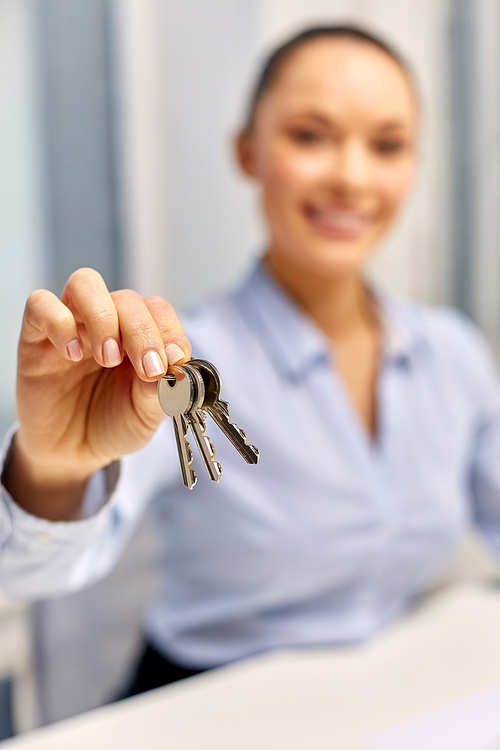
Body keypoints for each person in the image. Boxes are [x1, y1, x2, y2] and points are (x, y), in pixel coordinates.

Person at [2, 25, 500, 697]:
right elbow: (30, 576)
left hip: (385, 707)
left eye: (387, 145)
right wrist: (54, 472)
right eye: (310, 135)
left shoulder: (453, 354)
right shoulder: (176, 365)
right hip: (202, 711)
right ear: (247, 152)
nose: (352, 176)